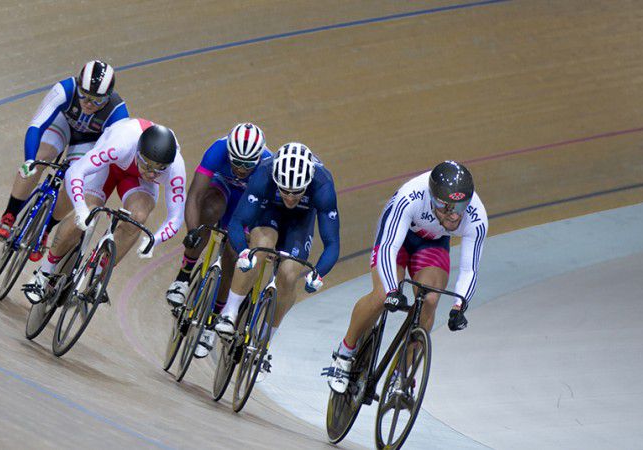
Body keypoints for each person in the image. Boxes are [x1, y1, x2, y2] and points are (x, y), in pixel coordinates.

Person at [326, 161, 487, 394]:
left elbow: (469, 269)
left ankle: (400, 375)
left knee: (430, 301)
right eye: (446, 207)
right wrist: (393, 290)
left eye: (460, 206)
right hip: (398, 238)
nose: (453, 216)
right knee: (382, 295)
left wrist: (459, 305)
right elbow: (388, 247)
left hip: (432, 243)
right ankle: (344, 352)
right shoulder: (410, 197)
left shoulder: (476, 216)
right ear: (432, 198)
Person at [24, 118, 185, 303]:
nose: (152, 173)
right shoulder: (121, 143)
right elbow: (75, 172)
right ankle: (44, 273)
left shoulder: (175, 168)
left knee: (138, 218)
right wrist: (80, 208)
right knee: (89, 211)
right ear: (138, 152)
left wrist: (154, 240)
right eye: (147, 165)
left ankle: (99, 278)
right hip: (108, 166)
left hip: (136, 182)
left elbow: (176, 217)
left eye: (160, 169)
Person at [213, 143, 341, 373]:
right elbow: (237, 222)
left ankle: (264, 342)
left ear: (308, 184)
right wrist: (244, 251)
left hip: (300, 222)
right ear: (276, 179)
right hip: (268, 212)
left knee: (289, 275)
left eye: (297, 192)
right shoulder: (264, 173)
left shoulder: (323, 185)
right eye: (285, 190)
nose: (290, 198)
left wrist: (318, 272)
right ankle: (230, 313)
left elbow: (332, 243)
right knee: (260, 248)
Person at [0, 60, 129, 262]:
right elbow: (36, 125)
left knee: (73, 184)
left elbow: (111, 152)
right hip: (62, 125)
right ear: (78, 86)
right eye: (84, 96)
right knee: (39, 158)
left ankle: (46, 229)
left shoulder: (118, 113)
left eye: (97, 101)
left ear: (108, 98)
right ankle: (9, 216)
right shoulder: (65, 89)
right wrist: (30, 160)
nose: (89, 104)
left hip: (89, 142)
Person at [164, 123, 272, 358]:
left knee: (234, 254)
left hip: (247, 201)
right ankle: (183, 277)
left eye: (247, 164)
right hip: (221, 189)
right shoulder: (217, 150)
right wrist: (193, 232)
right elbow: (195, 195)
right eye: (236, 162)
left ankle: (214, 318)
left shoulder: (268, 166)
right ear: (229, 153)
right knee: (210, 209)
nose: (241, 169)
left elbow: (265, 213)